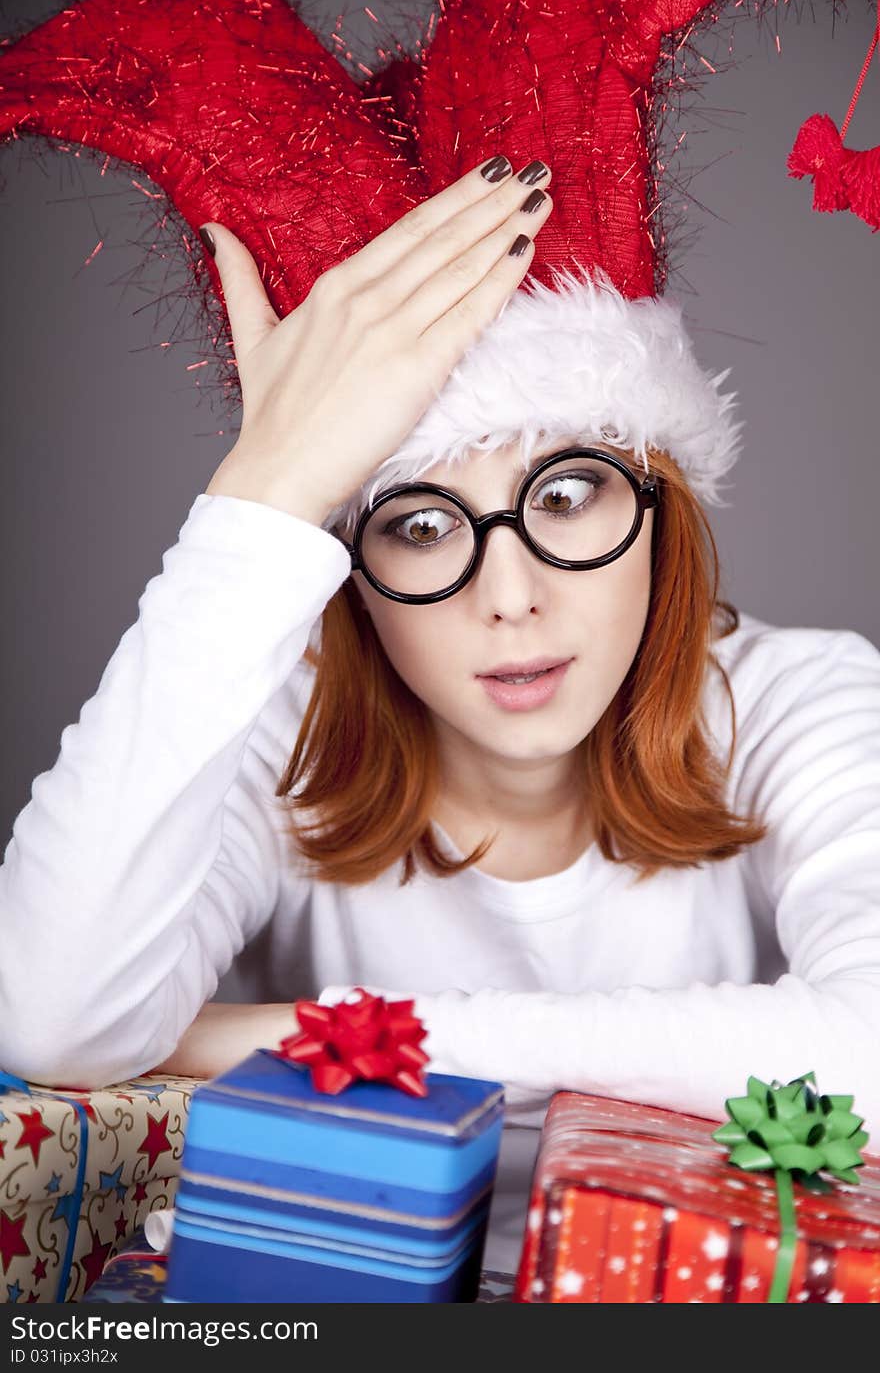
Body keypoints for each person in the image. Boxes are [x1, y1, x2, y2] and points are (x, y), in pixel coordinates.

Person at [2, 151, 879, 1276]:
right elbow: (49, 1018)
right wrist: (266, 491)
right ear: (349, 560)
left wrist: (315, 1039)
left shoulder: (797, 699)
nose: (508, 597)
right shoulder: (278, 729)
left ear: (660, 505)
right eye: (418, 524)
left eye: (566, 497)